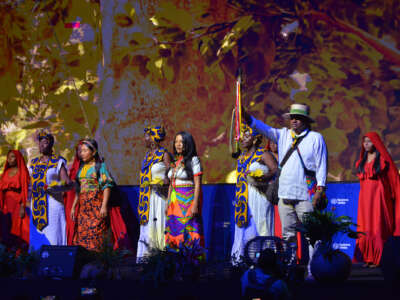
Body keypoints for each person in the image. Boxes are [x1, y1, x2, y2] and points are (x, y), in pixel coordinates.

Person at [243, 103, 328, 270]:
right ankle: (290, 266)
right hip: (285, 193)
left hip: (305, 194)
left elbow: (322, 165)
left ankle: (313, 267)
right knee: (287, 235)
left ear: (305, 120)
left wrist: (320, 189)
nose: (294, 120)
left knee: (312, 234)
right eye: (292, 117)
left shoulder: (315, 138)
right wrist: (245, 116)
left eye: (298, 118)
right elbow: (262, 127)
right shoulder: (282, 135)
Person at [231, 124, 277, 261]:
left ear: (256, 138)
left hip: (259, 195)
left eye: (247, 135)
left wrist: (264, 177)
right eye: (242, 136)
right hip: (242, 197)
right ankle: (241, 259)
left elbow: (275, 170)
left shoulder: (263, 154)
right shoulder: (241, 158)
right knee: (243, 228)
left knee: (261, 226)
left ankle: (262, 260)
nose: (243, 139)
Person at [354, 132, 400, 267]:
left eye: (369, 141)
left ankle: (379, 258)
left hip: (379, 198)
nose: (366, 144)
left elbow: (393, 178)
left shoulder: (382, 159)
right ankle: (368, 257)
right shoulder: (361, 161)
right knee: (365, 226)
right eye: (364, 141)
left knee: (377, 225)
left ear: (376, 143)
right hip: (365, 199)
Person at [71, 139, 116, 251]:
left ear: (94, 152)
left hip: (96, 206)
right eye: (81, 151)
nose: (82, 153)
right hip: (84, 209)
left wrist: (104, 206)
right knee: (83, 234)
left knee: (97, 233)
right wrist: (73, 207)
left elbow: (107, 186)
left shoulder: (100, 167)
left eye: (85, 151)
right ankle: (85, 260)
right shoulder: (81, 168)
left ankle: (97, 261)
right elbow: (79, 189)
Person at [29, 130, 72, 247]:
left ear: (51, 144)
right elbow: (31, 184)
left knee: (53, 238)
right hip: (37, 204)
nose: (41, 145)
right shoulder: (33, 163)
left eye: (45, 142)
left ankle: (56, 262)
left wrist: (56, 186)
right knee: (37, 239)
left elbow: (67, 183)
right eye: (40, 142)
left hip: (53, 204)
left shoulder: (58, 161)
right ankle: (37, 263)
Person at [165, 131, 203, 251]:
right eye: (176, 142)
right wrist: (167, 202)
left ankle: (192, 263)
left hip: (188, 200)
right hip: (174, 202)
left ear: (188, 143)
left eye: (181, 141)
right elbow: (171, 184)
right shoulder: (175, 163)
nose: (178, 144)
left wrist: (195, 204)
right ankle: (174, 261)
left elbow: (197, 184)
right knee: (174, 229)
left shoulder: (194, 161)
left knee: (189, 229)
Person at [137, 126, 170, 261]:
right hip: (146, 197)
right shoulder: (146, 156)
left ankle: (159, 258)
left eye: (146, 136)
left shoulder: (164, 154)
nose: (144, 139)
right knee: (147, 226)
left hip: (159, 196)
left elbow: (170, 175)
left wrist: (163, 181)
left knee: (158, 225)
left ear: (153, 139)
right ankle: (145, 258)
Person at [0, 150, 30, 249]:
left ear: (17, 158)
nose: (9, 159)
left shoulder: (22, 172)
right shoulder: (6, 172)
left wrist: (22, 206)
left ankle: (18, 253)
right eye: (8, 157)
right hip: (6, 205)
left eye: (12, 157)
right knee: (5, 229)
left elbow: (25, 190)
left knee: (16, 228)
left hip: (17, 204)